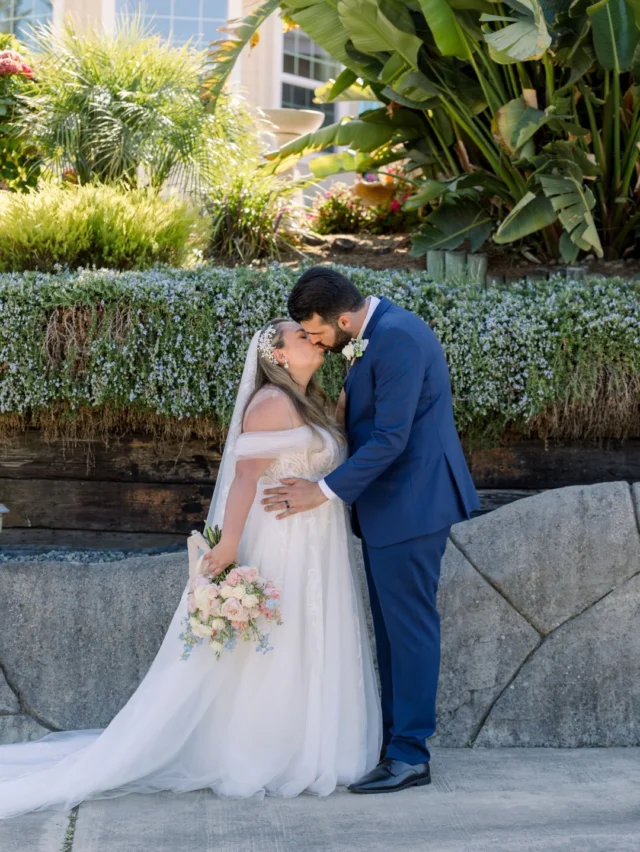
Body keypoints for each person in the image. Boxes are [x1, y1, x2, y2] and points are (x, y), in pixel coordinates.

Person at [0, 319, 381, 820]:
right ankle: (267, 751)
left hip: (318, 543)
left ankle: (315, 743)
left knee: (312, 635)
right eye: (301, 337)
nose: (314, 339)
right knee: (280, 640)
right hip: (283, 541)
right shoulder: (270, 403)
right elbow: (245, 479)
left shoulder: (309, 402)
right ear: (280, 357)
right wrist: (228, 548)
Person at [262, 267, 480, 794]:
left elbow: (391, 440)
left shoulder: (398, 339)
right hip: (392, 508)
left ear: (340, 317)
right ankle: (392, 745)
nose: (313, 341)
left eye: (314, 331)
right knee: (391, 632)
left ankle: (410, 755)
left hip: (413, 505)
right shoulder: (372, 336)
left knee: (409, 631)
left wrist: (325, 491)